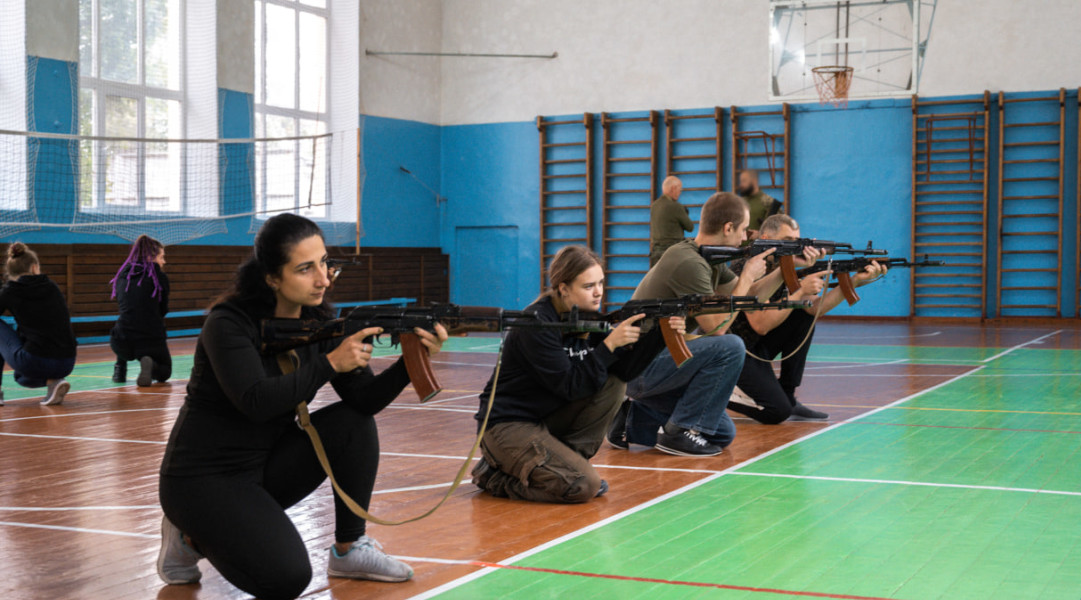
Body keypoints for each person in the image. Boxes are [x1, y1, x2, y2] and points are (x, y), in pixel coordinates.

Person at [156, 214, 447, 599]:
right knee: (287, 579)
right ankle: (188, 538)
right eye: (305, 269)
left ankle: (350, 548)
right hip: (202, 480)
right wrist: (330, 363)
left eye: (325, 263)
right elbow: (256, 401)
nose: (324, 279)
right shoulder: (228, 324)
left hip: (264, 468)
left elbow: (364, 400)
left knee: (352, 422)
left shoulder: (318, 323)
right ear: (272, 277)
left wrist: (413, 360)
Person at [470, 245, 685, 502]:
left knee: (614, 383)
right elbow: (569, 386)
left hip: (544, 418)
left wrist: (662, 332)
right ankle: (493, 478)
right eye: (588, 286)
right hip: (507, 424)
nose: (598, 293)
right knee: (582, 486)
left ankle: (568, 464)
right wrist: (608, 346)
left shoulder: (585, 318)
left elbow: (625, 370)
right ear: (563, 289)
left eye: (601, 284)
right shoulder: (538, 323)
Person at [607, 192, 783, 457]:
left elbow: (748, 296)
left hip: (656, 363)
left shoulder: (707, 259)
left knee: (723, 432)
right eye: (744, 229)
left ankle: (634, 416)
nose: (746, 235)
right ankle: (677, 434)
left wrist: (784, 272)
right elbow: (716, 327)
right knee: (730, 346)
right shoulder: (688, 262)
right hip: (638, 366)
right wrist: (746, 275)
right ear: (728, 228)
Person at [729, 214, 888, 423]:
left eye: (798, 241)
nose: (796, 247)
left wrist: (854, 281)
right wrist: (799, 292)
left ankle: (789, 395)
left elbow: (814, 309)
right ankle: (722, 393)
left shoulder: (784, 264)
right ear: (766, 238)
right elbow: (760, 325)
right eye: (788, 241)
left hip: (757, 347)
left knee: (802, 312)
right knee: (777, 412)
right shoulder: (748, 266)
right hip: (734, 352)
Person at [0, 242, 77, 407]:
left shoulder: (10, 291)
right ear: (35, 267)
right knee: (21, 377)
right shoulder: (52, 287)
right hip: (67, 362)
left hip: (34, 362)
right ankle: (53, 381)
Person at [109, 234, 172, 387]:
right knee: (165, 372)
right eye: (161, 257)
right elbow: (162, 310)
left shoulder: (124, 275)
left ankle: (120, 369)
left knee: (126, 319)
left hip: (121, 341)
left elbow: (124, 305)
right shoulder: (159, 277)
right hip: (150, 338)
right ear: (151, 257)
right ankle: (150, 364)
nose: (164, 262)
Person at [649, 175, 694, 268]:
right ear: (673, 188)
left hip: (656, 252)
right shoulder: (676, 206)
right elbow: (690, 227)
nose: (679, 193)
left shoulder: (654, 205)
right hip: (672, 253)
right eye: (680, 190)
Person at [736, 169, 782, 239]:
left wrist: (760, 235)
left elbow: (778, 231)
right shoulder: (739, 203)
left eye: (744, 181)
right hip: (738, 247)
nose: (741, 185)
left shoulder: (769, 203)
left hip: (759, 247)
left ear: (754, 181)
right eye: (741, 181)